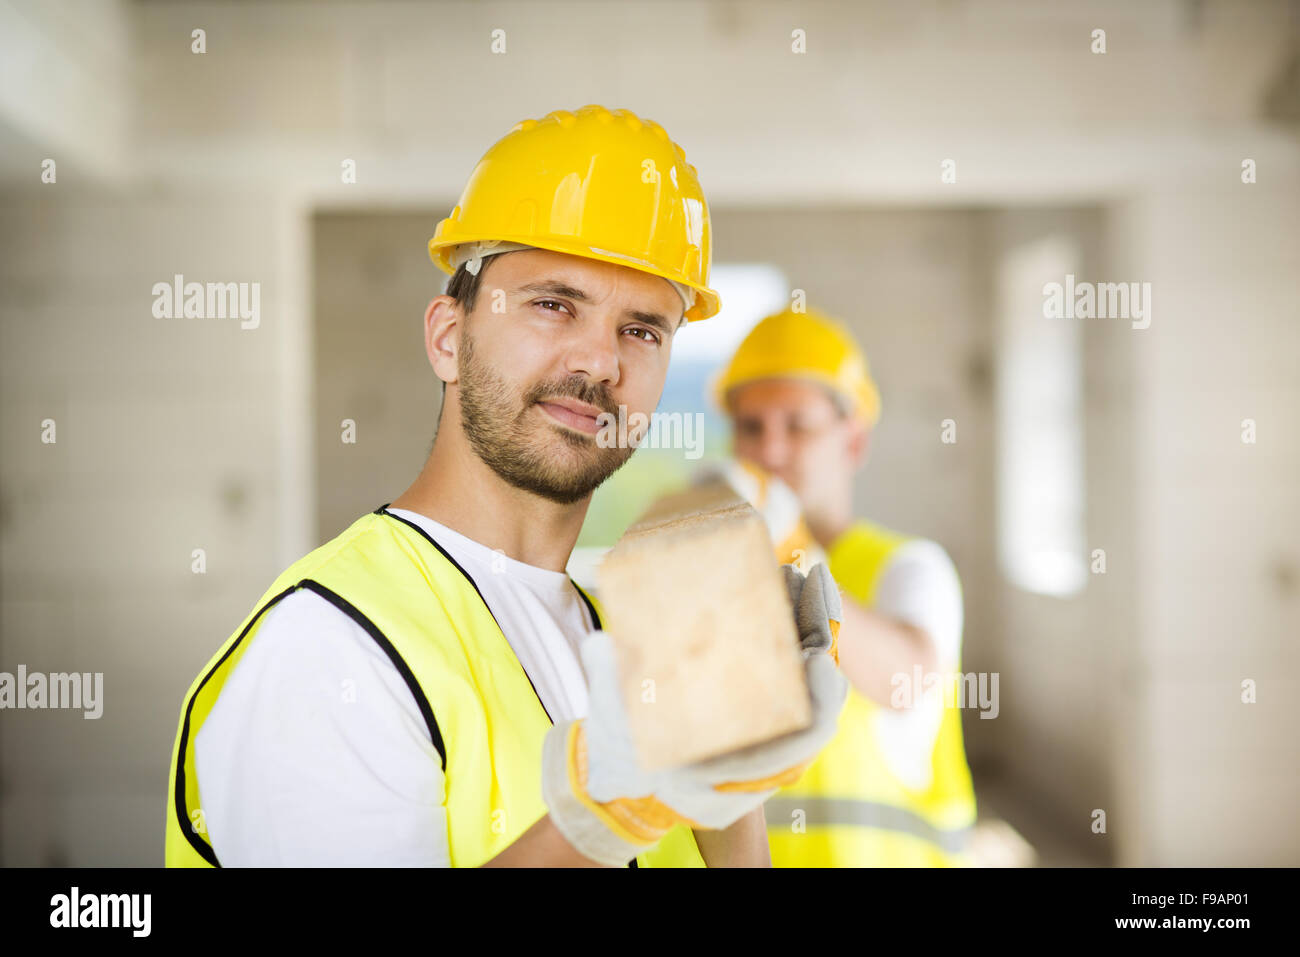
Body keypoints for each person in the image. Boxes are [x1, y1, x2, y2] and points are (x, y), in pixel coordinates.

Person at [164, 106, 846, 868]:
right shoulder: (330, 647)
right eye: (554, 303)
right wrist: (613, 812)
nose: (600, 361)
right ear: (448, 337)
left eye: (643, 329)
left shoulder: (609, 648)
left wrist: (730, 771)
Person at [712, 306, 978, 866]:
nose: (771, 451)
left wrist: (790, 547)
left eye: (798, 426)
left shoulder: (908, 569)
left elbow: (907, 681)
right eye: (751, 427)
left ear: (853, 442)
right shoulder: (720, 581)